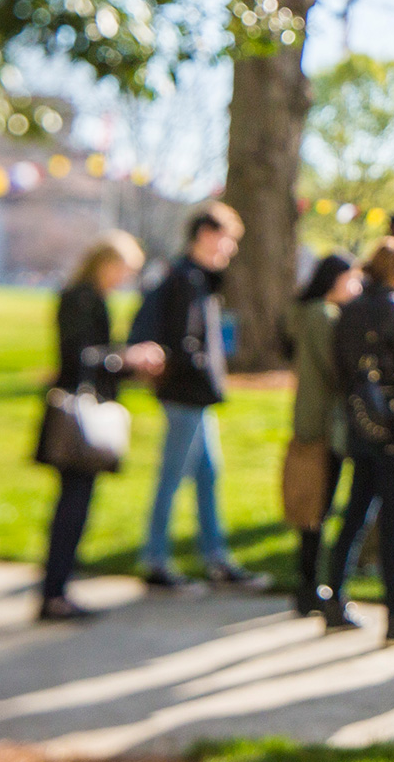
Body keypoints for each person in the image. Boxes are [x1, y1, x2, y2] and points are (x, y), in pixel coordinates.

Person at [135, 202, 268, 591]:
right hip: (184, 396)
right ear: (207, 235)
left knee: (209, 475)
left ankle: (216, 558)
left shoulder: (198, 279)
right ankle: (155, 559)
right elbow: (176, 338)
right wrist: (194, 368)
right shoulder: (183, 279)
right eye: (227, 240)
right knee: (172, 477)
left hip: (197, 396)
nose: (231, 250)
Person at [35, 232, 164, 620]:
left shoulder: (94, 298)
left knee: (78, 504)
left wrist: (132, 367)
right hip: (75, 418)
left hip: (86, 411)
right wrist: (127, 359)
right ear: (108, 263)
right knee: (72, 506)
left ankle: (58, 590)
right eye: (126, 270)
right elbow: (80, 358)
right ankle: (54, 593)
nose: (126, 278)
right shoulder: (79, 297)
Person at [323, 236, 394, 643]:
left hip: (361, 418)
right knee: (392, 520)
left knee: (355, 509)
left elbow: (340, 364)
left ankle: (334, 598)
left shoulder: (351, 308)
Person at [287, 253, 362, 615]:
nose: (357, 287)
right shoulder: (323, 315)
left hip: (314, 423)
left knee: (314, 509)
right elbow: (336, 368)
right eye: (352, 279)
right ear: (335, 279)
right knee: (316, 509)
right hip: (321, 427)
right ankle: (308, 588)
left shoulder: (315, 312)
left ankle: (308, 587)